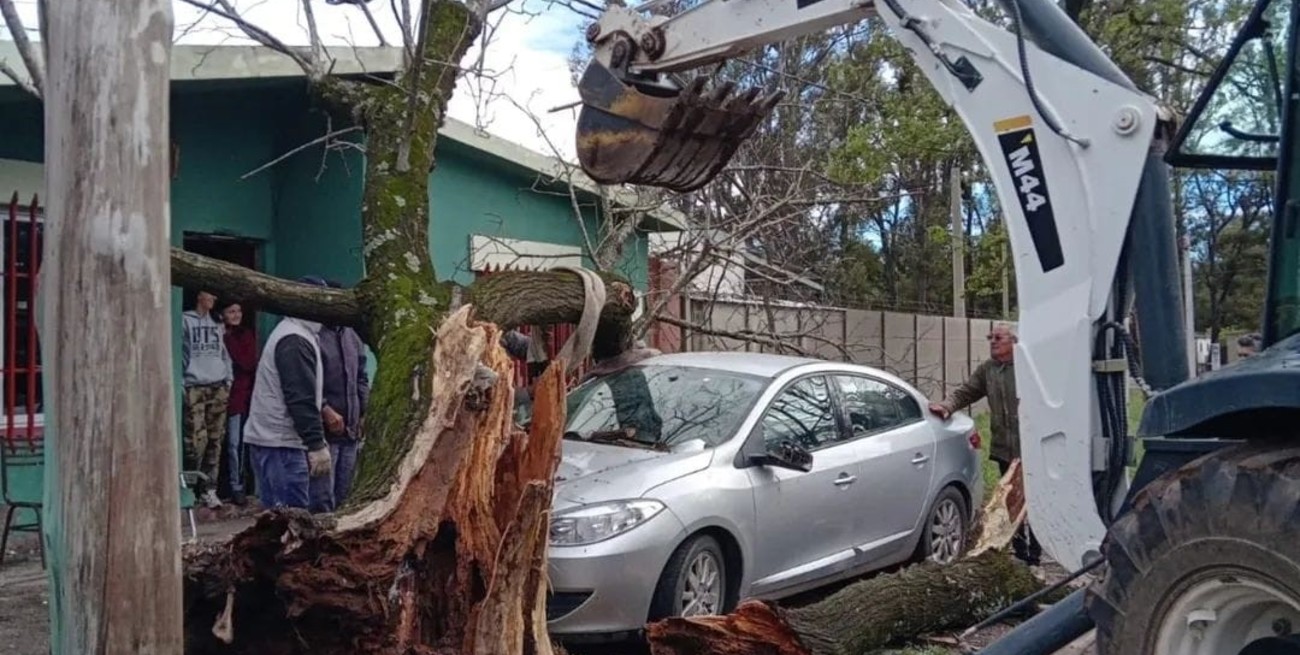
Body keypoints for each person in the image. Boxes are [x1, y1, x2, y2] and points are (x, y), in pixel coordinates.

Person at [928, 322, 1042, 565]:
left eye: (998, 337)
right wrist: (946, 406)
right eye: (990, 337)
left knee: (1036, 504)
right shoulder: (988, 370)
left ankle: (1037, 556)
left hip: (1032, 450)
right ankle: (1021, 555)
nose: (992, 341)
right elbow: (966, 392)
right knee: (1010, 504)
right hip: (1005, 450)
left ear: (1014, 341)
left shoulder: (1028, 368)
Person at [242, 276, 332, 509]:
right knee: (288, 521)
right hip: (281, 443)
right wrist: (315, 443)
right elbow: (300, 397)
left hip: (282, 441)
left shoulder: (299, 333)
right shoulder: (294, 339)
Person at [309, 278, 371, 512]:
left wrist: (365, 411)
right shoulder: (315, 336)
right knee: (323, 496)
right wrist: (325, 409)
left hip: (351, 430)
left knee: (346, 495)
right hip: (326, 431)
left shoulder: (352, 335)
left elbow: (361, 377)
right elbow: (310, 382)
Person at [182, 289, 233, 510]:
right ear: (199, 296)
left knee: (215, 439)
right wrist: (183, 381)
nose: (214, 298)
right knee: (195, 441)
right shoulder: (185, 320)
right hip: (195, 384)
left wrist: (228, 378)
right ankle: (190, 487)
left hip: (218, 384)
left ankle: (209, 489)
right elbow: (182, 351)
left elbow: (223, 352)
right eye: (209, 294)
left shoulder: (217, 323)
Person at [220, 300, 259, 506]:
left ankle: (238, 486)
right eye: (231, 311)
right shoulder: (216, 332)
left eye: (238, 311)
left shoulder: (244, 335)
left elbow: (248, 362)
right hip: (218, 393)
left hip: (239, 396)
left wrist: (227, 340)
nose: (236, 315)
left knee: (236, 444)